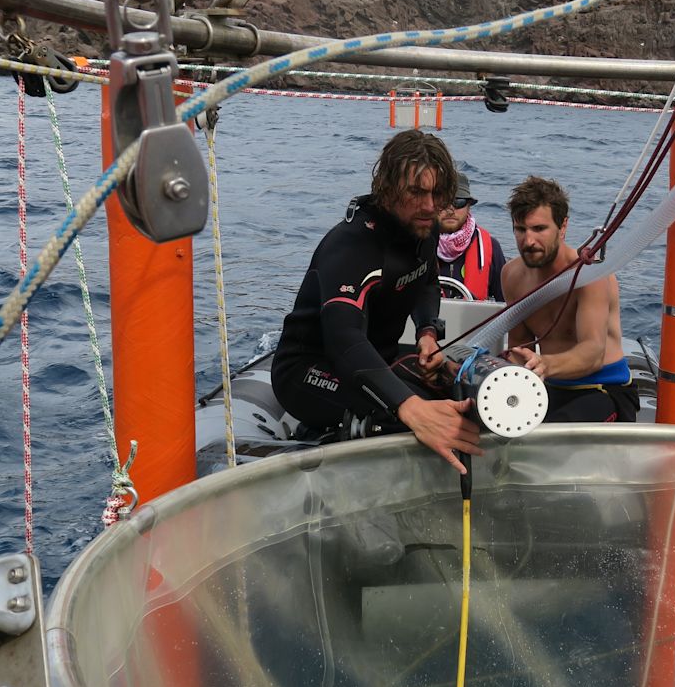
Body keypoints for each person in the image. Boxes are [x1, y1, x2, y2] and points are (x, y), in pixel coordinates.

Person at [271, 130, 482, 473]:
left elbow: (426, 281)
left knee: (462, 398)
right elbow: (345, 340)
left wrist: (427, 333)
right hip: (308, 370)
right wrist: (408, 407)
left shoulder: (422, 229)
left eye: (437, 193)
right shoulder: (352, 245)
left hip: (377, 358)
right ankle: (322, 435)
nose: (429, 206)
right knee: (410, 420)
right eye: (416, 192)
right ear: (387, 188)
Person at [501, 176, 639, 424]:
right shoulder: (511, 276)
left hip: (603, 389)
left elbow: (592, 353)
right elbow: (520, 348)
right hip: (550, 387)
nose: (528, 241)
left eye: (539, 229)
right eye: (520, 229)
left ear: (562, 227)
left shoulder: (591, 274)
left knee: (551, 437)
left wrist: (544, 364)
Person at [436, 172, 508, 301]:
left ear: (469, 206)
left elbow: (505, 305)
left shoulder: (491, 248)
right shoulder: (416, 245)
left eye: (459, 202)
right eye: (443, 201)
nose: (451, 209)